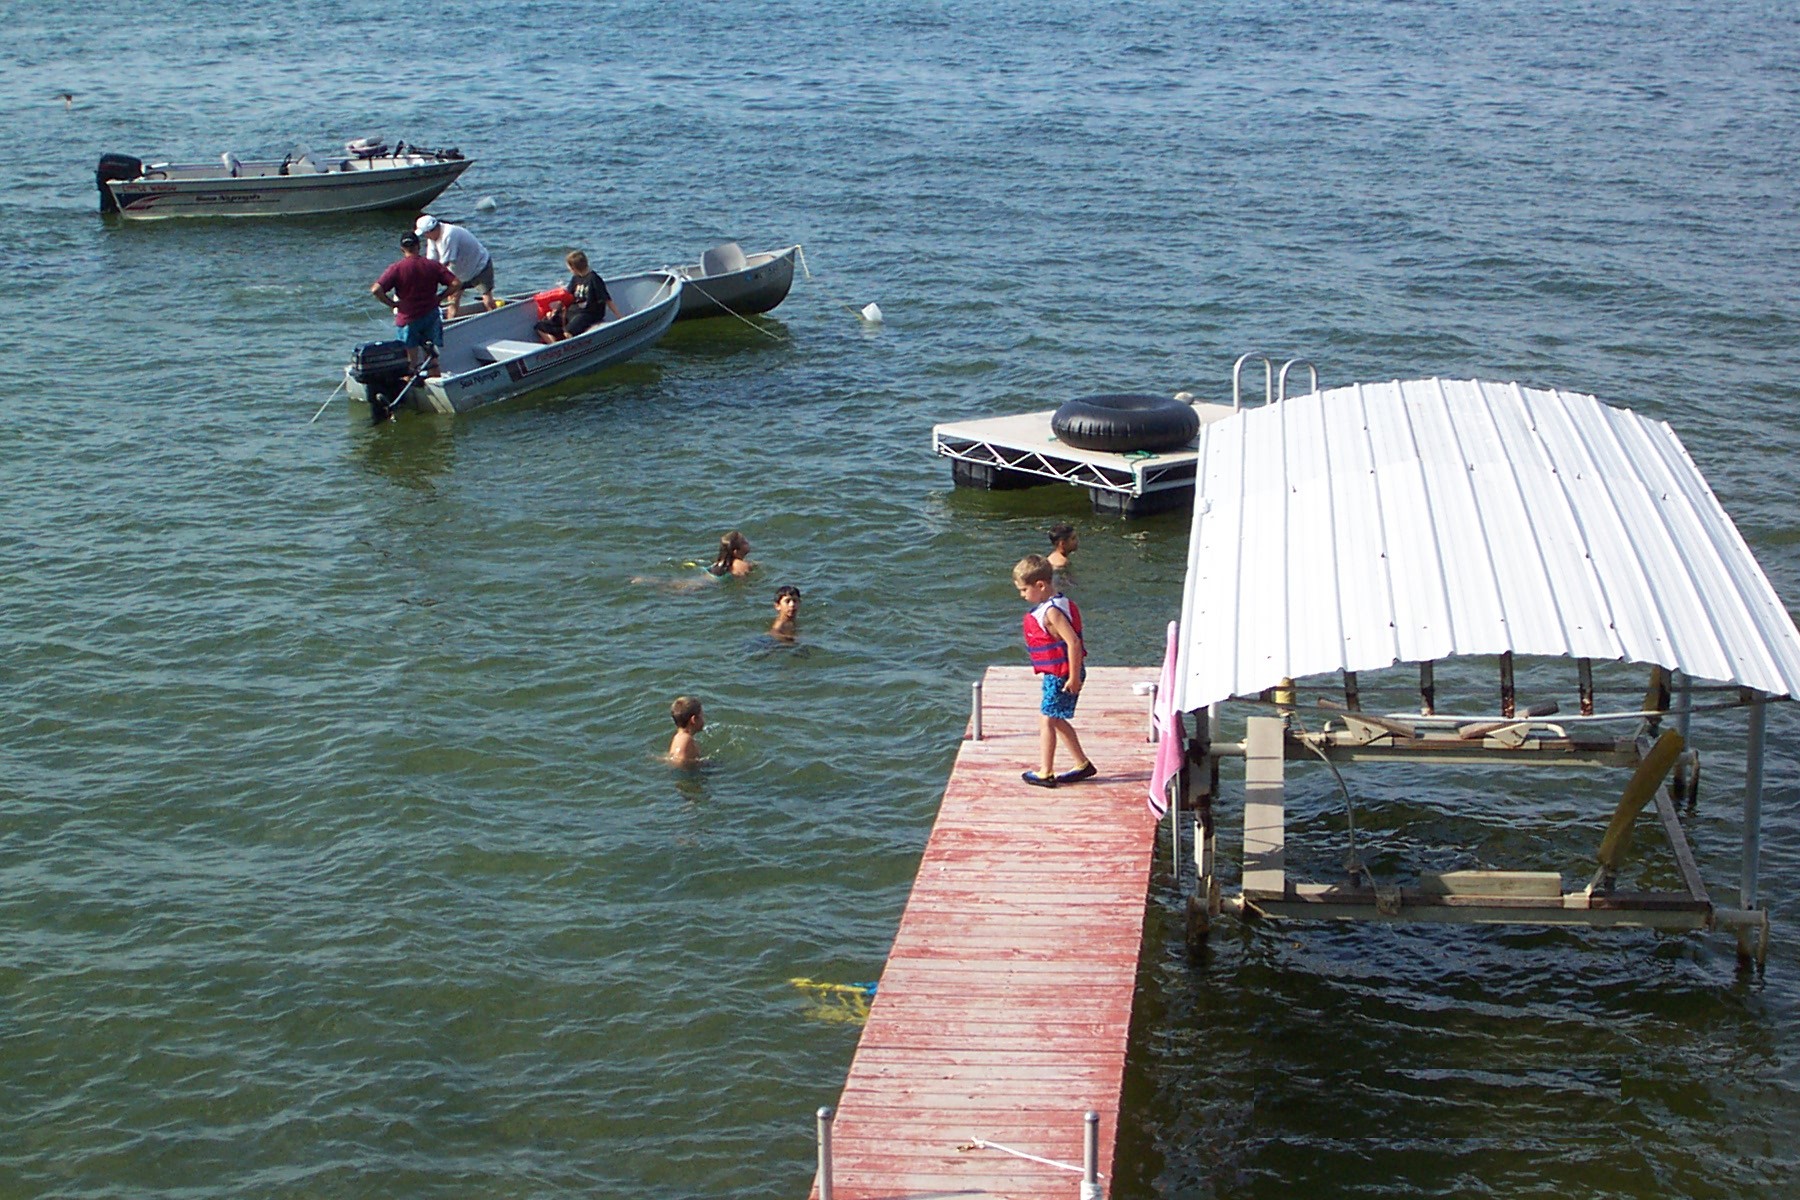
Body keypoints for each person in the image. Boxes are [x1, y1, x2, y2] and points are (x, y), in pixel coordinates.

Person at [1013, 554, 1096, 788]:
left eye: (1023, 590)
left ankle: (1046, 771)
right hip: (1057, 673)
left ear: (1040, 585)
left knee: (1046, 719)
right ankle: (1082, 764)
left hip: (1063, 674)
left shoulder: (1052, 612)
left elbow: (1073, 643)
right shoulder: (1056, 604)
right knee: (1055, 718)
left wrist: (1073, 676)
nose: (1022, 595)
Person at [370, 232, 462, 375]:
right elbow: (456, 283)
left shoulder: (397, 268)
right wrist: (440, 297)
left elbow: (376, 290)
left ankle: (412, 387)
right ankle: (435, 382)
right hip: (430, 315)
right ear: (419, 246)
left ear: (402, 249)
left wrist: (392, 304)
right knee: (432, 358)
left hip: (408, 318)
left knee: (410, 362)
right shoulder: (432, 265)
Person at [416, 214, 499, 315]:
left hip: (479, 266)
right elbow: (431, 262)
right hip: (460, 273)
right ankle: (450, 324)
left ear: (432, 230)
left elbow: (444, 264)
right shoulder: (432, 238)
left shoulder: (448, 234)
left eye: (425, 234)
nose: (425, 237)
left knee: (487, 299)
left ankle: (497, 319)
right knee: (452, 301)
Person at [534, 250, 623, 343]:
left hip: (589, 312)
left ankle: (567, 348)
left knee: (568, 331)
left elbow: (606, 299)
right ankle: (554, 347)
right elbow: (567, 296)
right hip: (574, 310)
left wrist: (619, 317)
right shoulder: (575, 278)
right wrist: (555, 311)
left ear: (574, 268)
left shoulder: (594, 279)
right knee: (540, 326)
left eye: (569, 267)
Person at [668, 696, 705, 766]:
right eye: (702, 716)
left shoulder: (677, 737)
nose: (703, 719)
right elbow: (680, 761)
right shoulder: (687, 739)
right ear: (693, 720)